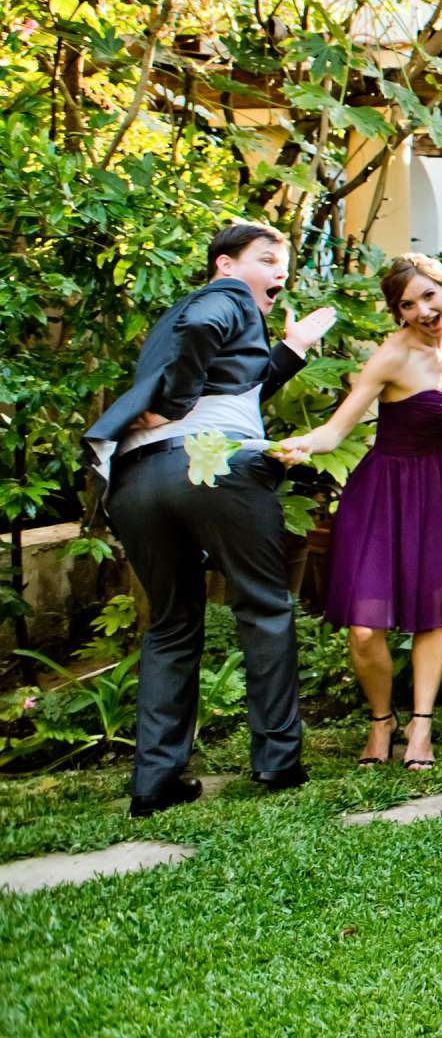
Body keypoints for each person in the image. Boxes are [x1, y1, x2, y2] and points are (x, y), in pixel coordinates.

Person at [87, 223, 335, 816]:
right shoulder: (222, 300)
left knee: (171, 625)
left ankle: (154, 783)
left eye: (285, 262)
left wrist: (292, 348)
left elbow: (234, 390)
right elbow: (204, 351)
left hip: (138, 478)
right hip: (210, 465)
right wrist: (174, 402)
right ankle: (277, 762)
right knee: (265, 608)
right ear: (225, 264)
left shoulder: (180, 317)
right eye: (268, 259)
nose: (281, 271)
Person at [273, 254, 442, 771]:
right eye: (409, 305)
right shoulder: (390, 356)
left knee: (436, 607)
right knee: (364, 627)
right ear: (398, 313)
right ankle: (381, 718)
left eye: (429, 296)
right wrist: (300, 445)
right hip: (383, 491)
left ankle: (421, 725)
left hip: (434, 490)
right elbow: (336, 431)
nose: (423, 310)